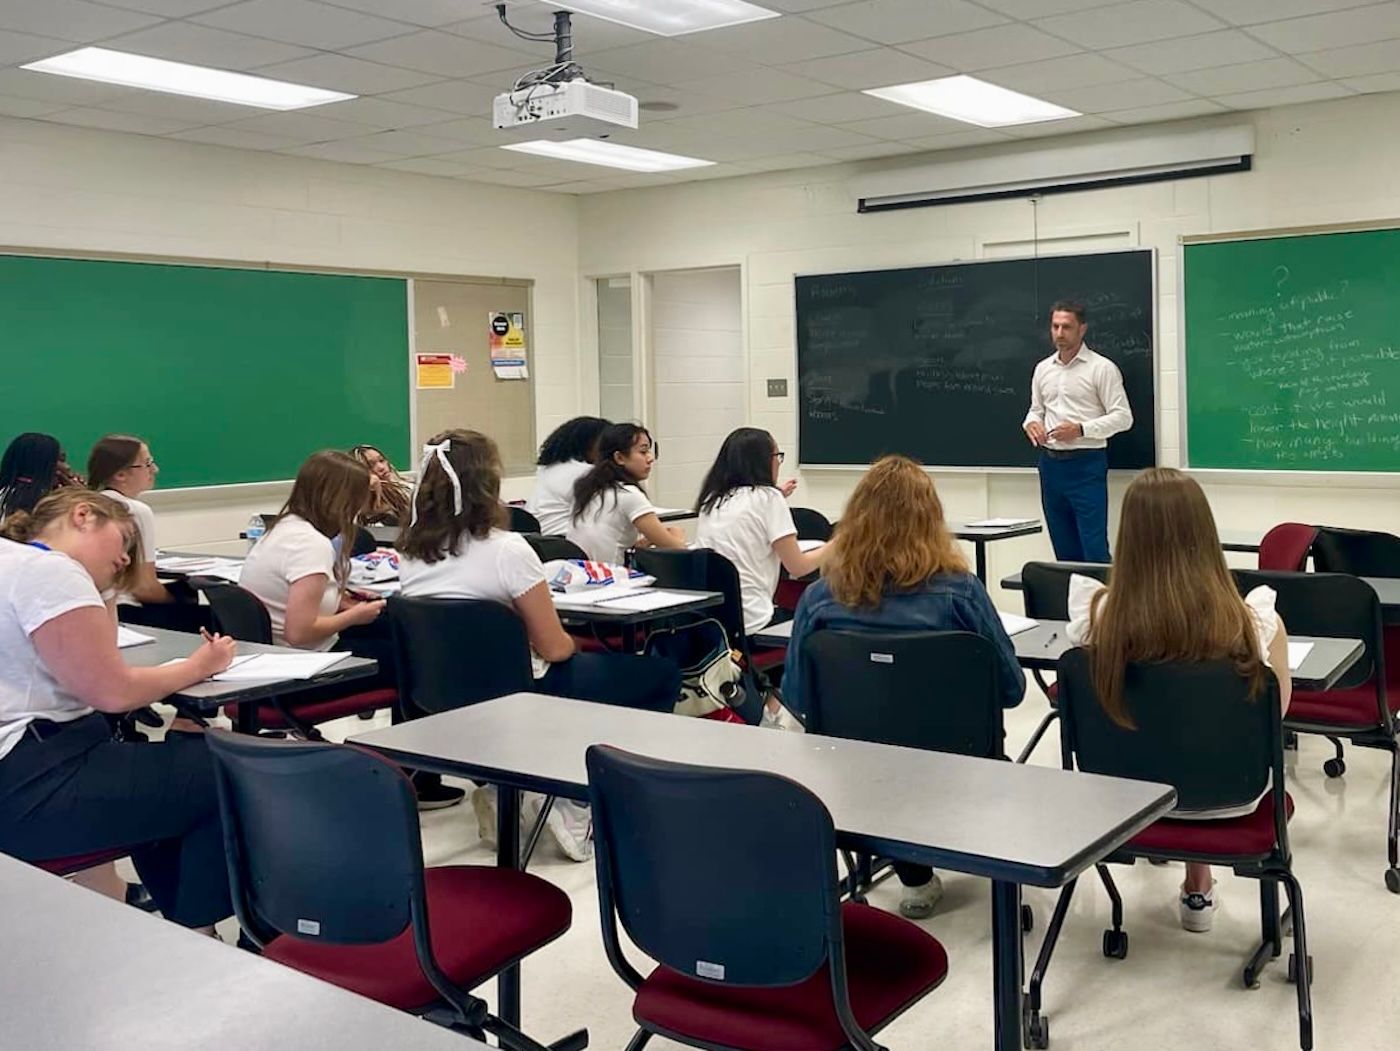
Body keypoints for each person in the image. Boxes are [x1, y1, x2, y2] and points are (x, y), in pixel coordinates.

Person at [398, 428, 680, 860]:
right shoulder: (509, 550)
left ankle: (503, 786)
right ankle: (578, 794)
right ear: (487, 485)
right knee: (656, 674)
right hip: (521, 691)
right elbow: (555, 649)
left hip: (442, 693)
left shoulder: (411, 554)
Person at [783, 455, 1025, 919]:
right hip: (960, 763)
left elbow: (797, 698)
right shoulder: (960, 592)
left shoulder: (818, 600)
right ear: (931, 520)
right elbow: (1011, 690)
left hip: (854, 771)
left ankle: (913, 875)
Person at [1066, 467, 1290, 934]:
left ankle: (1183, 865)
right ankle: (1198, 884)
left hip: (1123, 801)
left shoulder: (1096, 619)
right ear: (1205, 535)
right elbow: (1275, 715)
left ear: (1127, 538)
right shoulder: (1253, 623)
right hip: (1231, 797)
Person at [0, 488, 236, 932]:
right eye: (124, 540)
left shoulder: (14, 562)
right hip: (31, 781)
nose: (127, 558)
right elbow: (112, 691)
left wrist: (105, 585)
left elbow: (94, 660)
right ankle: (200, 936)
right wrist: (197, 666)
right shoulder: (51, 570)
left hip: (23, 769)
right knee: (222, 770)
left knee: (165, 773)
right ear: (83, 515)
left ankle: (182, 927)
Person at [239, 450, 461, 810]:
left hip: (272, 662)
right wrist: (354, 616)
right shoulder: (310, 544)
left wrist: (342, 602)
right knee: (416, 658)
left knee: (397, 629)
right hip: (301, 670)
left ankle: (415, 770)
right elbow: (301, 631)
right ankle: (414, 777)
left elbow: (300, 602)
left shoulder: (283, 529)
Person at [1023, 299, 1132, 563]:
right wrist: (1031, 424)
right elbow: (1036, 409)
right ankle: (1069, 604)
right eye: (1055, 326)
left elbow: (1123, 418)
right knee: (1063, 550)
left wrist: (1081, 429)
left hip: (1086, 464)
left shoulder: (1101, 368)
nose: (1059, 333)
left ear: (1082, 329)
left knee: (1093, 549)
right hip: (1050, 465)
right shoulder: (1043, 369)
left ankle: (1102, 604)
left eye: (1066, 327)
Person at [567, 423, 687, 564]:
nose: (650, 458)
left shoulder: (587, 489)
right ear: (619, 458)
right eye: (643, 452)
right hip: (614, 580)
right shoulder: (628, 495)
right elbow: (676, 549)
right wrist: (679, 536)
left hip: (582, 576)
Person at [87, 435, 176, 608]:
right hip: (126, 609)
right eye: (147, 464)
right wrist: (181, 603)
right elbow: (144, 587)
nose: (155, 469)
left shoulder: (87, 504)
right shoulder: (133, 511)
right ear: (120, 474)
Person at [526, 416, 610, 536]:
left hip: (541, 542)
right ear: (588, 444)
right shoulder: (587, 472)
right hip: (568, 543)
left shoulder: (547, 469)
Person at [0, 432, 79, 521]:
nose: (67, 467)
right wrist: (81, 497)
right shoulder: (49, 506)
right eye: (61, 460)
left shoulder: (4, 494)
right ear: (37, 465)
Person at [349, 443, 412, 526]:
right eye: (371, 465)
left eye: (381, 460)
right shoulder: (357, 503)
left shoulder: (406, 489)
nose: (381, 467)